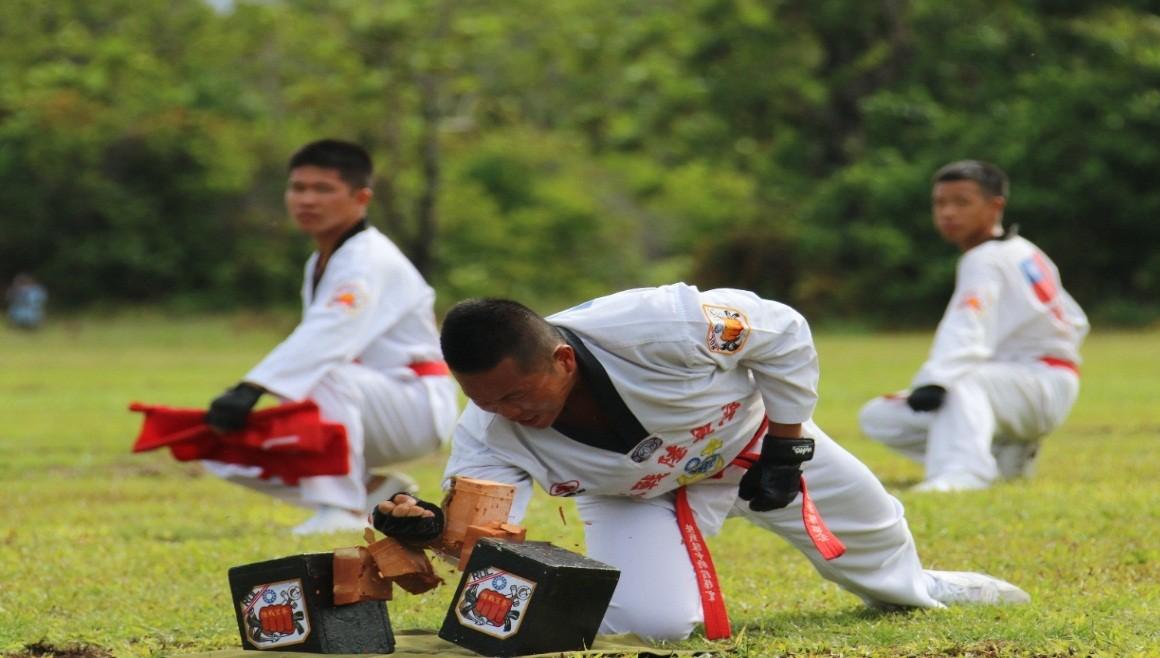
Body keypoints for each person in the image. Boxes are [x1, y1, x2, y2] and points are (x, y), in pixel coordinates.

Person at [372, 284, 1029, 642]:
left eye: (516, 395)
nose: (505, 412)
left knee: (877, 533)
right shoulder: (486, 427)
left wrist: (787, 441)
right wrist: (430, 532)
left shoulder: (661, 324)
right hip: (634, 496)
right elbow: (482, 540)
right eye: (484, 400)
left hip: (746, 445)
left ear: (562, 360)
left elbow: (785, 332)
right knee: (656, 627)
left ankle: (925, 585)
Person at [203, 139, 459, 535]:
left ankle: (340, 508)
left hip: (414, 404)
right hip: (362, 403)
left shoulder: (367, 258)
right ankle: (372, 491)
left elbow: (329, 336)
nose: (306, 199)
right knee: (220, 445)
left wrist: (252, 387)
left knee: (321, 373)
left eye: (323, 189)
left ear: (361, 197)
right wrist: (248, 395)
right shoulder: (323, 259)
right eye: (298, 188)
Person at [858, 160, 1089, 493]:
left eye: (962, 202)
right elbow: (1076, 318)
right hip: (1034, 384)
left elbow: (967, 328)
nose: (948, 213)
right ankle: (1006, 456)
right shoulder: (1024, 250)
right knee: (881, 415)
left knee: (959, 380)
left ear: (995, 206)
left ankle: (963, 474)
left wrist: (936, 379)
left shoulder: (983, 259)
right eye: (940, 203)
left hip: (1035, 380)